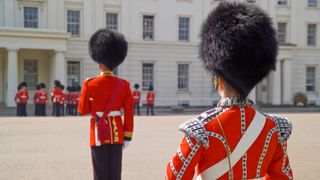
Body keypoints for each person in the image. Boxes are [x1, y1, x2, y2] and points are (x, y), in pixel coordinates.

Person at [167, 2, 293, 180]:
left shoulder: (201, 128)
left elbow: (176, 176)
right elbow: (283, 177)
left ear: (217, 79)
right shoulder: (273, 128)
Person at [78, 28, 134, 180]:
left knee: (100, 174)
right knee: (115, 174)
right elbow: (129, 113)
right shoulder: (124, 85)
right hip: (117, 134)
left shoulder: (89, 84)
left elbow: (83, 110)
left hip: (97, 133)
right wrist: (127, 136)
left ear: (99, 61)